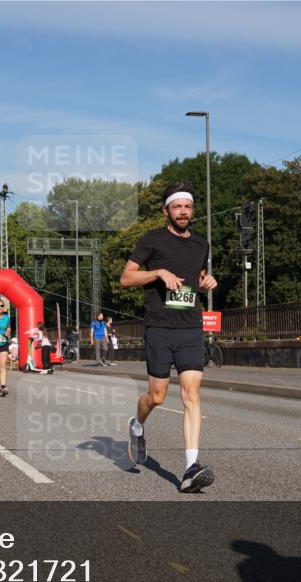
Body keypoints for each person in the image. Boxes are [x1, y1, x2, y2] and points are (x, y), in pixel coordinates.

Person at [119, 183, 217, 493]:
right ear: (167, 211)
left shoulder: (202, 244)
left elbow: (196, 275)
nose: (184, 211)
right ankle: (137, 425)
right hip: (160, 328)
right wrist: (158, 273)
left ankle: (190, 467)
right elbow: (126, 278)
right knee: (157, 396)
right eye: (177, 207)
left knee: (192, 394)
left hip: (190, 327)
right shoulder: (153, 240)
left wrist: (206, 281)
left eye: (188, 206)